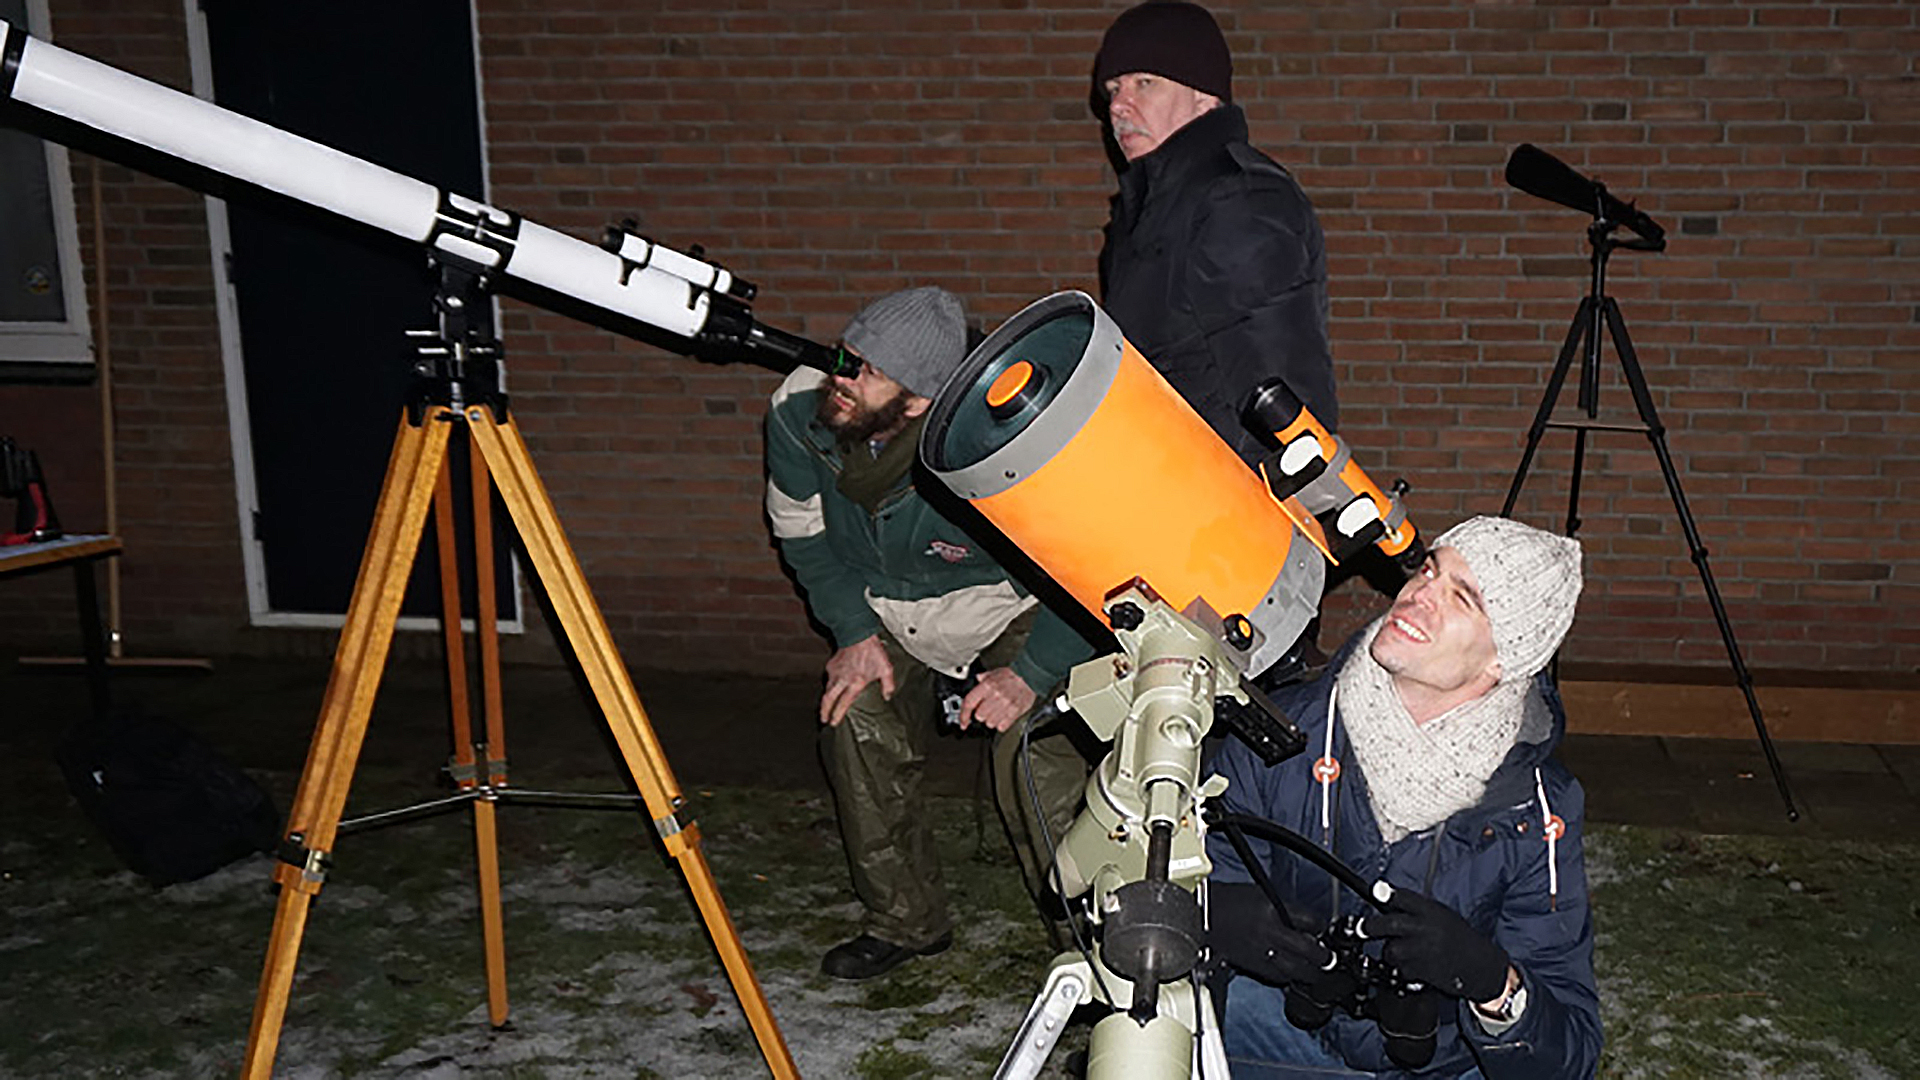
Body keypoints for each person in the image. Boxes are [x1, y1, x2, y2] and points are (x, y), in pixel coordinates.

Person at [763, 286, 1093, 980]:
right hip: (884, 607)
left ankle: (1093, 946)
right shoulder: (801, 409)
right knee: (853, 718)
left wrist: (1031, 675)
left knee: (1030, 752)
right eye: (845, 356)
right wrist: (852, 631)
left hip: (1008, 606)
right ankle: (906, 921)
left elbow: (1085, 572)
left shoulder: (1001, 439)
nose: (841, 379)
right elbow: (802, 532)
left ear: (919, 400)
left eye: (867, 371)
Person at [1203, 516, 1603, 1077]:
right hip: (1280, 1035)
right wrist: (1211, 916)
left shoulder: (1535, 809)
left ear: (1503, 661)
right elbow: (1164, 884)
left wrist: (1492, 982)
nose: (1417, 597)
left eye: (1462, 599)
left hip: (1441, 1065)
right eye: (1428, 570)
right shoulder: (1284, 735)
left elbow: (1571, 1055)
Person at [1093, 0, 1337, 468]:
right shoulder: (1143, 215)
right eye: (1114, 88)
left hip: (1217, 507)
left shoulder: (1237, 197)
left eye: (1146, 83)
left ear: (1205, 99)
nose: (1119, 105)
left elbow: (1282, 394)